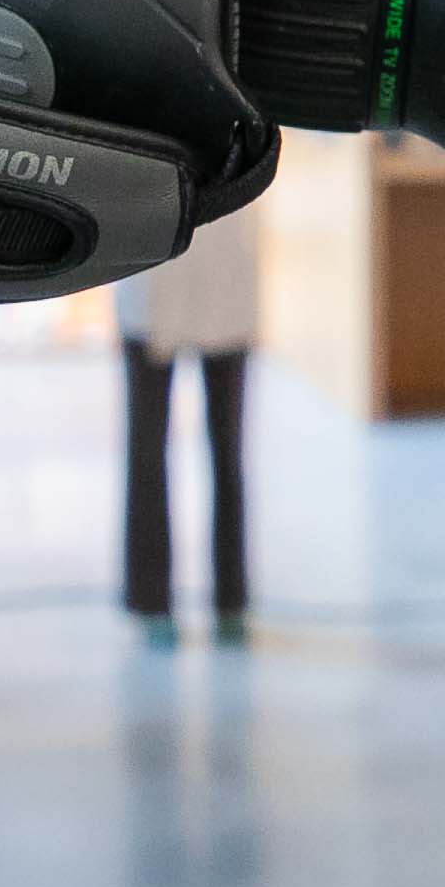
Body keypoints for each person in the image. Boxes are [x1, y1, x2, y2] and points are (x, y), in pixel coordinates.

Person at [118, 208, 262, 644]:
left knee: (228, 450)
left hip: (226, 276)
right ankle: (151, 600)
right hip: (150, 272)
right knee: (146, 450)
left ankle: (231, 599)